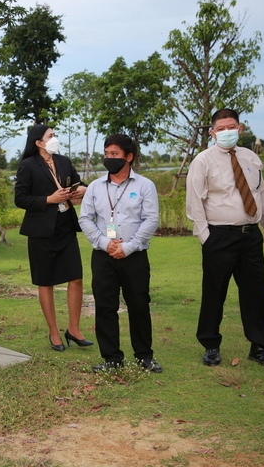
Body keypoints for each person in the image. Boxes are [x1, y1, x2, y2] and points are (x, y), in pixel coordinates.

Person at [186, 108, 264, 368]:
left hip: (250, 236)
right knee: (214, 293)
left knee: (256, 292)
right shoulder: (203, 161)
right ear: (212, 132)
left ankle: (260, 347)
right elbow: (194, 203)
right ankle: (211, 346)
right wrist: (206, 238)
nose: (227, 132)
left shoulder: (250, 157)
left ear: (240, 129)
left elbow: (260, 194)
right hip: (219, 237)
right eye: (221, 128)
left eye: (231, 127)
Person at [79, 134, 162, 373]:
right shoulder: (95, 187)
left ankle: (144, 357)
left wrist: (129, 247)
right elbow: (85, 218)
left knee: (139, 305)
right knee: (105, 307)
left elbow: (151, 220)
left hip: (134, 256)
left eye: (114, 154)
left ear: (129, 157)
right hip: (103, 256)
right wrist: (105, 243)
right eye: (106, 154)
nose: (109, 158)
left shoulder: (144, 185)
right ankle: (112, 359)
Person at [14, 124, 93, 351]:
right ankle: (54, 333)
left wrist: (82, 189)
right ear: (39, 142)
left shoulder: (64, 161)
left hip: (66, 226)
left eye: (54, 135)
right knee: (46, 281)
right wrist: (49, 199)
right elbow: (20, 198)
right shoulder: (27, 165)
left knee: (75, 277)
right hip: (41, 231)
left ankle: (74, 330)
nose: (54, 138)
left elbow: (78, 183)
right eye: (50, 136)